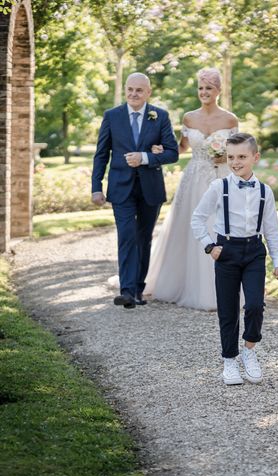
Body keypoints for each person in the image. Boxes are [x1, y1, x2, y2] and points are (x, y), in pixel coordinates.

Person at [191, 133, 278, 385]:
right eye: (231, 157)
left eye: (242, 157)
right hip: (226, 251)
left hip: (254, 251)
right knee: (228, 309)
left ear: (255, 157)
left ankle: (249, 350)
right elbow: (197, 218)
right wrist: (209, 245)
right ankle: (229, 360)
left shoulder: (266, 192)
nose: (235, 162)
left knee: (255, 305)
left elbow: (272, 230)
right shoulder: (218, 187)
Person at [143, 67, 238, 310]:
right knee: (190, 226)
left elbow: (237, 151)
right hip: (195, 177)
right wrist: (161, 150)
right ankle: (184, 284)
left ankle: (221, 287)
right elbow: (182, 148)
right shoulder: (189, 118)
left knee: (217, 226)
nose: (204, 92)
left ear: (218, 90)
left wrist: (226, 157)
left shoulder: (230, 120)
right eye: (201, 88)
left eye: (209, 88)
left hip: (220, 176)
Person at [92, 72, 179, 309]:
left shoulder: (160, 116)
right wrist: (96, 188)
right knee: (127, 235)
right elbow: (101, 155)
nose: (133, 94)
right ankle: (127, 291)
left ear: (148, 92)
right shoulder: (112, 116)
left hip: (150, 188)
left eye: (139, 90)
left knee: (143, 238)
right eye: (130, 89)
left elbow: (172, 153)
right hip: (121, 188)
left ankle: (139, 289)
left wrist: (145, 157)